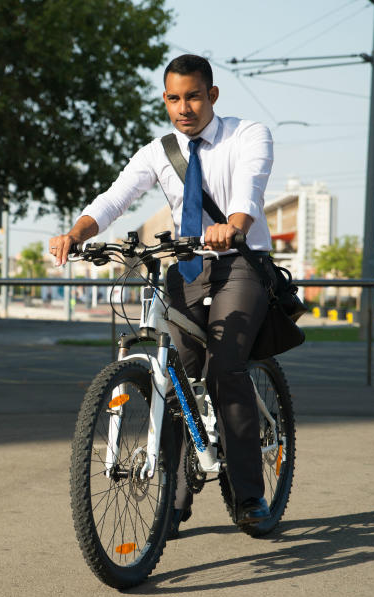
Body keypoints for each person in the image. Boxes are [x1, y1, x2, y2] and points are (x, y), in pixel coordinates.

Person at [48, 54, 275, 536]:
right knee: (173, 378)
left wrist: (232, 228)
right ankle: (174, 498)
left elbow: (249, 191)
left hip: (238, 262)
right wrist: (77, 233)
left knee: (224, 367)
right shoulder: (159, 150)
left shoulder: (247, 135)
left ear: (212, 95)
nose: (183, 107)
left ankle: (250, 493)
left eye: (193, 96)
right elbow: (115, 197)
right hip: (187, 267)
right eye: (174, 98)